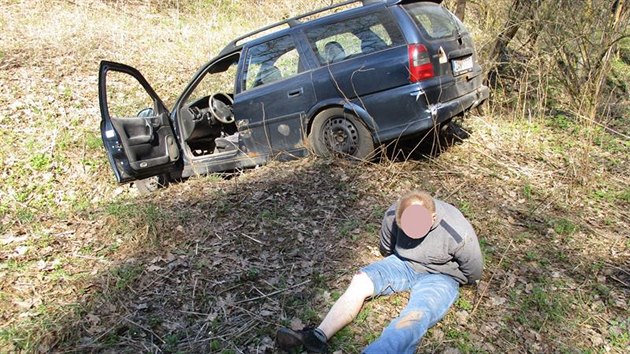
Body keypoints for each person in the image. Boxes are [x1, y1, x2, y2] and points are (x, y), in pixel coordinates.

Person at [276, 190, 483, 353]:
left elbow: (473, 270)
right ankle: (317, 337)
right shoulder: (393, 215)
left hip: (441, 276)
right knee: (361, 280)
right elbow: (386, 247)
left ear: (434, 217)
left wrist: (451, 280)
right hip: (404, 263)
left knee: (415, 316)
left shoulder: (456, 230)